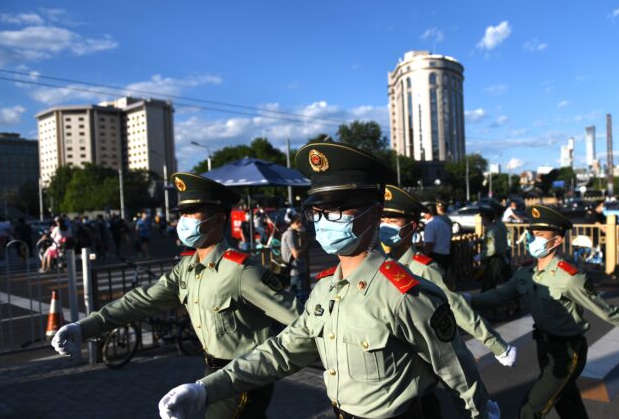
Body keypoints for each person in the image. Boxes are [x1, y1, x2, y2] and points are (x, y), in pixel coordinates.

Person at [158, 143, 499, 419]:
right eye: (318, 211)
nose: (324, 221)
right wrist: (206, 389)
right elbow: (281, 351)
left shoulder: (402, 293)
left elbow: (456, 369)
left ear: (375, 213)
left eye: (339, 209)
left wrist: (483, 412)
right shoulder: (325, 290)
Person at [51, 172, 302, 418]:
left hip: (246, 379)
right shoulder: (187, 268)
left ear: (218, 218)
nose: (185, 220)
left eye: (192, 212)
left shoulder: (240, 271)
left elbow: (302, 320)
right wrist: (84, 328)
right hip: (212, 370)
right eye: (182, 213)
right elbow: (141, 301)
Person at [465, 205, 619, 419]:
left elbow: (602, 308)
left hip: (567, 351)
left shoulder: (569, 277)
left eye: (540, 235)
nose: (532, 239)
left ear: (556, 241)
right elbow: (499, 295)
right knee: (567, 402)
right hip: (544, 346)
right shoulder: (526, 272)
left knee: (530, 409)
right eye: (532, 234)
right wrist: (468, 299)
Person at [379, 185, 517, 370]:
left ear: (411, 226)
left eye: (393, 220)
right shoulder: (380, 262)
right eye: (383, 220)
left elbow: (457, 308)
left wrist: (497, 346)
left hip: (423, 358)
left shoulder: (423, 269)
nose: (385, 225)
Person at [280, 214, 308, 296]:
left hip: (295, 270)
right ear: (297, 222)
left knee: (296, 294)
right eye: (301, 223)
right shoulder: (290, 234)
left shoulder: (290, 233)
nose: (302, 225)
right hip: (296, 271)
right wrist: (306, 244)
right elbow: (296, 254)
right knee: (300, 296)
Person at [423, 203, 452, 272]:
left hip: (436, 257)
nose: (424, 216)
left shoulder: (431, 224)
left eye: (424, 213)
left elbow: (429, 243)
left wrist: (424, 256)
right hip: (446, 255)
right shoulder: (443, 223)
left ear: (429, 213)